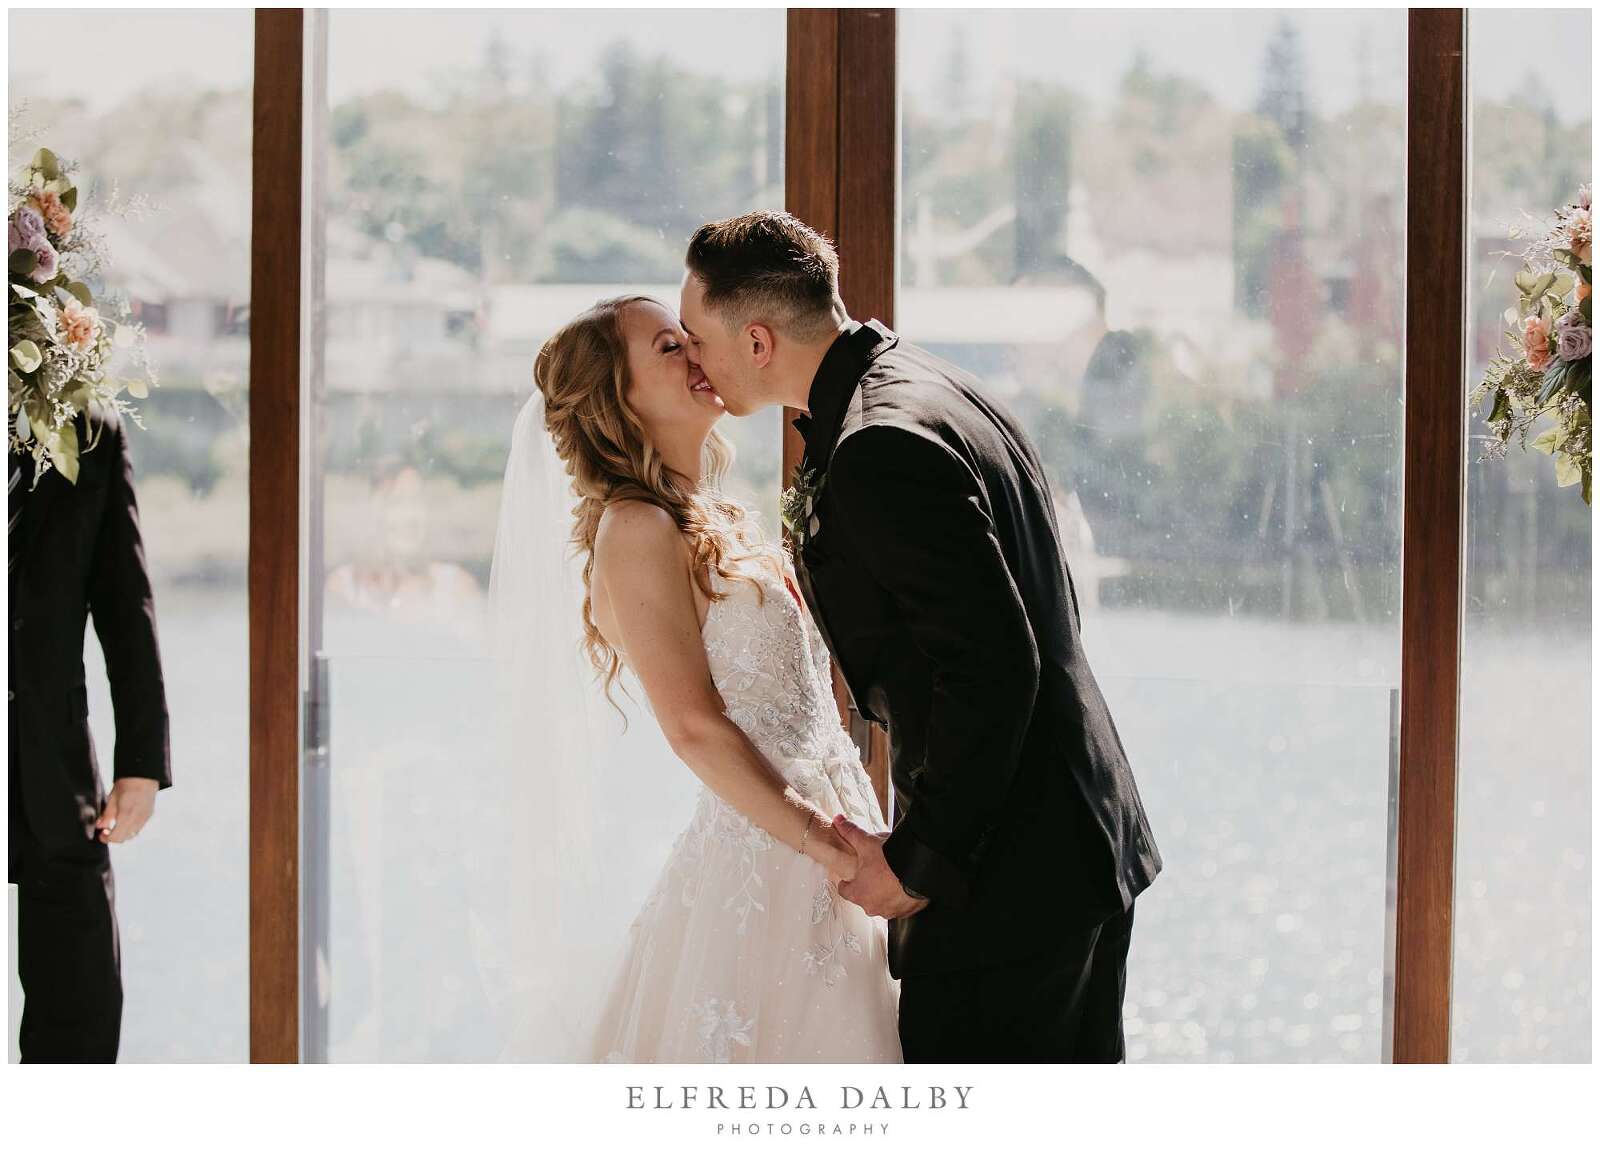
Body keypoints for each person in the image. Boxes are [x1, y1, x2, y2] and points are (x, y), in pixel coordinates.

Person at [678, 210, 1162, 1062]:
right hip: (1065, 835)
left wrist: (917, 862)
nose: (695, 363)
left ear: (757, 341)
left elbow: (993, 668)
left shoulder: (879, 447)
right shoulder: (931, 383)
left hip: (1013, 870)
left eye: (697, 337)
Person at [489, 294, 900, 1062]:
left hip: (835, 835)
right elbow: (693, 727)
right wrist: (830, 847)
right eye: (668, 349)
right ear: (620, 398)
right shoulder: (636, 528)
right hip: (777, 855)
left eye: (688, 339)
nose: (696, 355)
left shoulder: (712, 516)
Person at [8, 403, 171, 1062]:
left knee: (81, 1007)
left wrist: (141, 761)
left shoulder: (90, 430)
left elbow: (124, 601)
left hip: (51, 766)